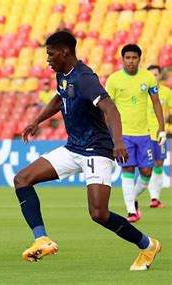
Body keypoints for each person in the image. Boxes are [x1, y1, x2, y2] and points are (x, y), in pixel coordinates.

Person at [13, 31, 161, 271]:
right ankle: (42, 238)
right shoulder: (63, 74)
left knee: (99, 213)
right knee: (22, 179)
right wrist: (37, 120)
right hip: (74, 148)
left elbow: (110, 108)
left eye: (50, 54)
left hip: (96, 150)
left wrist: (119, 141)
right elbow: (59, 98)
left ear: (65, 52)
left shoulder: (84, 78)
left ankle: (148, 245)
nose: (47, 59)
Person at [105, 44, 165, 222]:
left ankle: (134, 197)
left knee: (147, 171)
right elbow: (108, 108)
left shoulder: (148, 78)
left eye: (134, 58)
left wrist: (161, 128)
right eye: (128, 58)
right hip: (123, 135)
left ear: (140, 59)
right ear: (122, 59)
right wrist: (107, 133)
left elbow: (156, 103)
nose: (131, 61)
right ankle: (131, 210)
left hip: (144, 134)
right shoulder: (114, 80)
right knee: (128, 169)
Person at [143, 65, 171, 207]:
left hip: (160, 135)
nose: (154, 77)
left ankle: (154, 198)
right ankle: (133, 198)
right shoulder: (142, 92)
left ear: (160, 76)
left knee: (158, 165)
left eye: (156, 74)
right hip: (144, 134)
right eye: (151, 74)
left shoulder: (166, 92)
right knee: (146, 167)